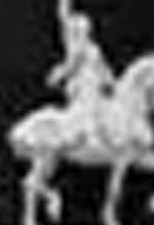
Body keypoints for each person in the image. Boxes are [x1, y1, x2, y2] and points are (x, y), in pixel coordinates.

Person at [47, 10, 116, 147]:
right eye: (80, 29)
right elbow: (71, 66)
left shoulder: (93, 47)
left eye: (85, 29)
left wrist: (109, 79)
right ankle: (89, 136)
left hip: (96, 81)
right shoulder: (78, 48)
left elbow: (102, 65)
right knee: (89, 105)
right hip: (84, 83)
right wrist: (57, 75)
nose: (84, 31)